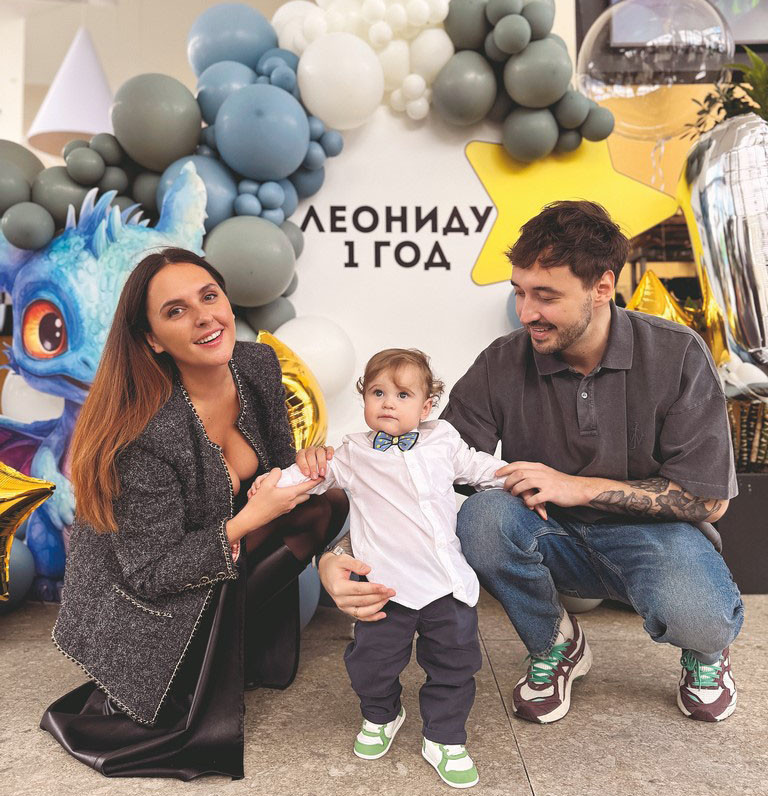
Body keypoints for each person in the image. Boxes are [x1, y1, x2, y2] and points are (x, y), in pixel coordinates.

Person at [316, 200, 744, 726]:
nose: (525, 312)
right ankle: (556, 643)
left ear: (601, 288)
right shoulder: (502, 361)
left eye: (546, 296)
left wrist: (579, 487)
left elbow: (709, 501)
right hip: (547, 532)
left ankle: (705, 652)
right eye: (519, 292)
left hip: (655, 539)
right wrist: (340, 553)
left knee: (701, 615)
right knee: (483, 518)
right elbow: (417, 474)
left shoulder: (677, 354)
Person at [40, 247, 346, 780]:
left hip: (213, 550)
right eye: (176, 310)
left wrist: (303, 469)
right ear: (153, 340)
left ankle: (234, 646)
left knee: (327, 503)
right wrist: (250, 518)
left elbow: (277, 462)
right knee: (231, 558)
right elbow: (151, 573)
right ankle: (190, 663)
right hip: (143, 597)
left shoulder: (257, 365)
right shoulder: (144, 434)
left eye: (209, 296)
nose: (205, 317)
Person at [264, 349, 510, 789]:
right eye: (377, 393)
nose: (388, 403)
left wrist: (524, 479)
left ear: (426, 406)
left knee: (454, 665)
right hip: (383, 588)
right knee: (371, 664)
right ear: (364, 400)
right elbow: (310, 477)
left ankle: (445, 737)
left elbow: (482, 467)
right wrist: (274, 481)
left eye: (402, 394)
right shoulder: (352, 453)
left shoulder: (443, 440)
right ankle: (382, 714)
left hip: (445, 586)